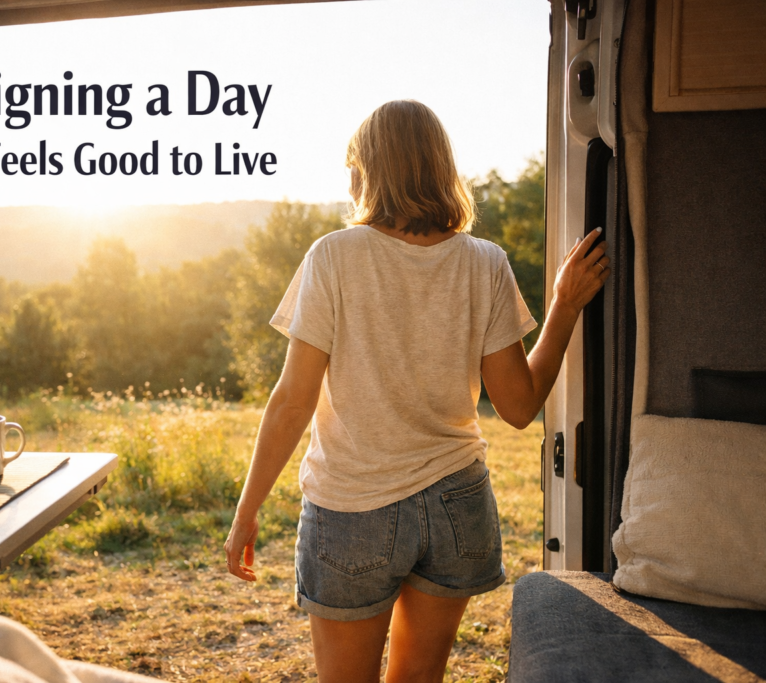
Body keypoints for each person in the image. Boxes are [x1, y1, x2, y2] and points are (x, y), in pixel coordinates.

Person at [223, 100, 609, 683]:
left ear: (369, 171)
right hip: (458, 504)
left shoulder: (334, 255)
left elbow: (292, 400)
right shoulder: (485, 262)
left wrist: (246, 510)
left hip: (355, 508)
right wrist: (563, 307)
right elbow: (519, 406)